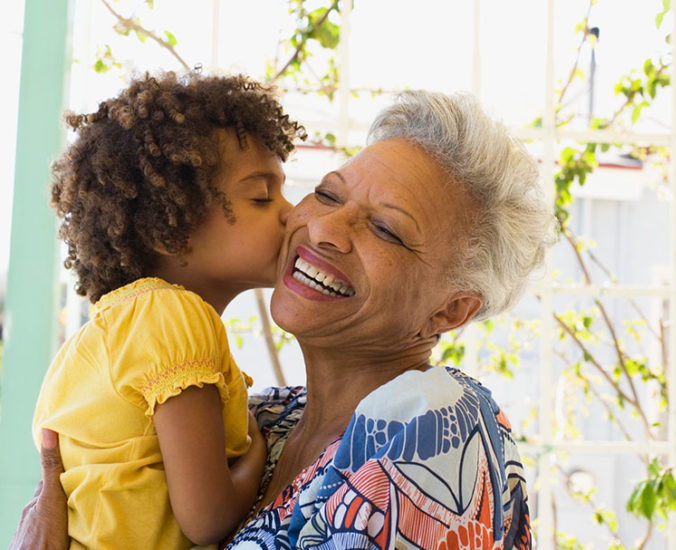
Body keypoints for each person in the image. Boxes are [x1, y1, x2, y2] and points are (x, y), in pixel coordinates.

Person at [13, 89, 554, 549]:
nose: (321, 229)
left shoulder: (431, 433)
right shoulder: (265, 418)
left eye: (386, 229)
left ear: (450, 309)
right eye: (326, 194)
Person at [30, 71, 305, 548]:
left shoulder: (110, 332)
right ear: (169, 228)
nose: (291, 211)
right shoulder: (175, 317)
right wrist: (260, 456)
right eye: (261, 196)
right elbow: (208, 519)